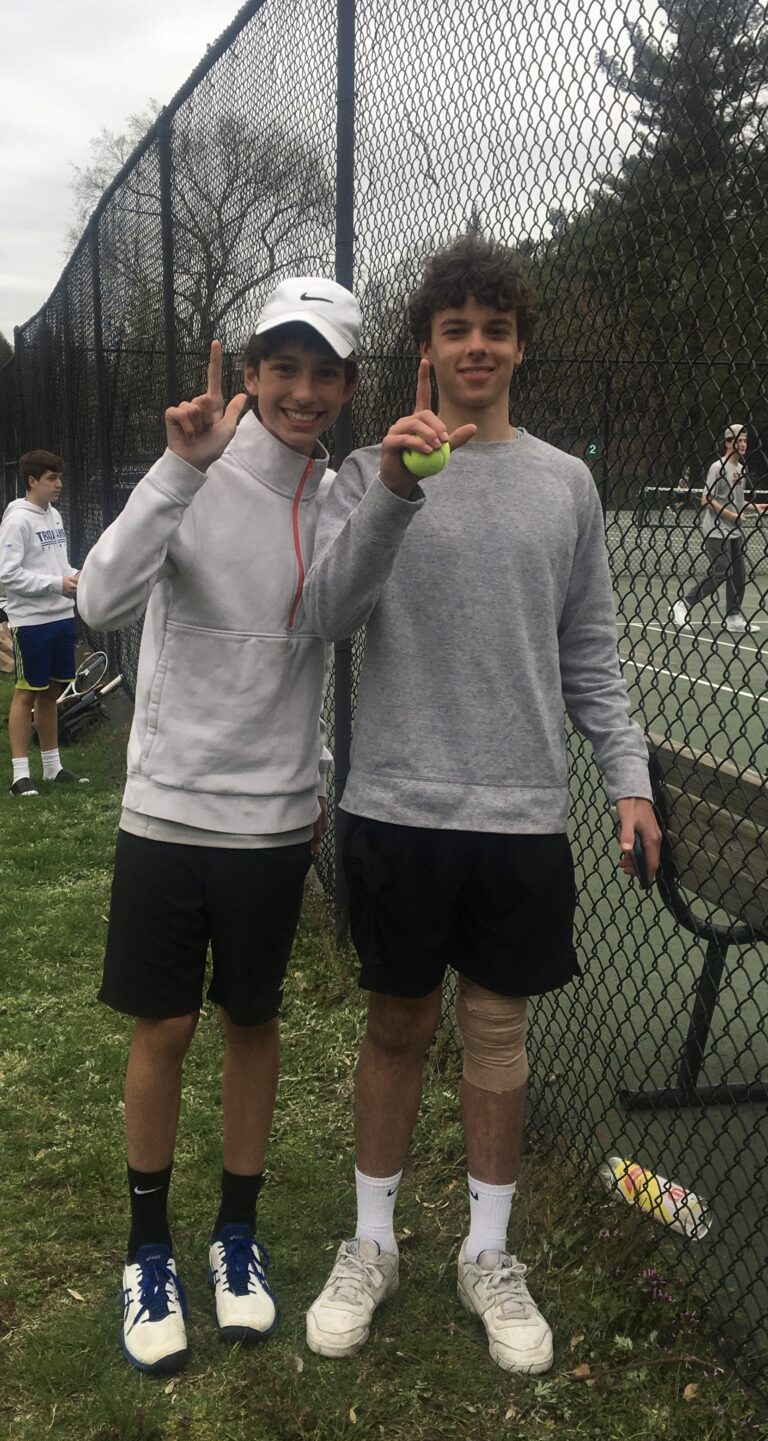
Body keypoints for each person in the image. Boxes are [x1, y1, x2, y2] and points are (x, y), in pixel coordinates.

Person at [301, 235, 660, 1375]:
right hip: (396, 807)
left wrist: (629, 778)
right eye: (454, 328)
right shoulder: (369, 472)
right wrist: (401, 487)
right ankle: (371, 1245)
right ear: (426, 348)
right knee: (398, 1025)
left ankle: (487, 1255)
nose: (475, 346)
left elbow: (592, 651)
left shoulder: (567, 482)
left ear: (518, 347)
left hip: (516, 814)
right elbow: (328, 616)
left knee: (497, 1034)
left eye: (494, 329)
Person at [77, 278, 361, 1376]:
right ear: (247, 373)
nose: (300, 390)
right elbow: (100, 601)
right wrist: (175, 471)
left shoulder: (341, 496)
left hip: (274, 825)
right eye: (280, 367)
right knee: (165, 1030)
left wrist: (319, 775)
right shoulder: (190, 470)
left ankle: (233, 1236)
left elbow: (331, 638)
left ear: (343, 386)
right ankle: (148, 1251)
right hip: (167, 815)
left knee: (252, 1021)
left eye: (323, 371)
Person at [0, 449, 87, 796]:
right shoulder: (17, 520)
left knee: (51, 692)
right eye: (52, 478)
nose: (59, 485)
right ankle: (20, 775)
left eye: (59, 478)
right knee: (26, 693)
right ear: (32, 481)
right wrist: (55, 585)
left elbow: (59, 565)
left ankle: (52, 767)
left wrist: (77, 576)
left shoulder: (55, 516)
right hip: (31, 622)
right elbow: (8, 575)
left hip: (61, 617)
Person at [671, 422, 768, 632]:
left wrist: (755, 507)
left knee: (739, 574)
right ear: (727, 442)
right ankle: (683, 604)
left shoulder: (740, 470)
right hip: (716, 531)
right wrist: (731, 515)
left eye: (744, 440)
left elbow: (738, 503)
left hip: (734, 531)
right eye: (738, 440)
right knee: (722, 570)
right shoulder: (718, 467)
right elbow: (706, 499)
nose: (742, 444)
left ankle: (733, 617)